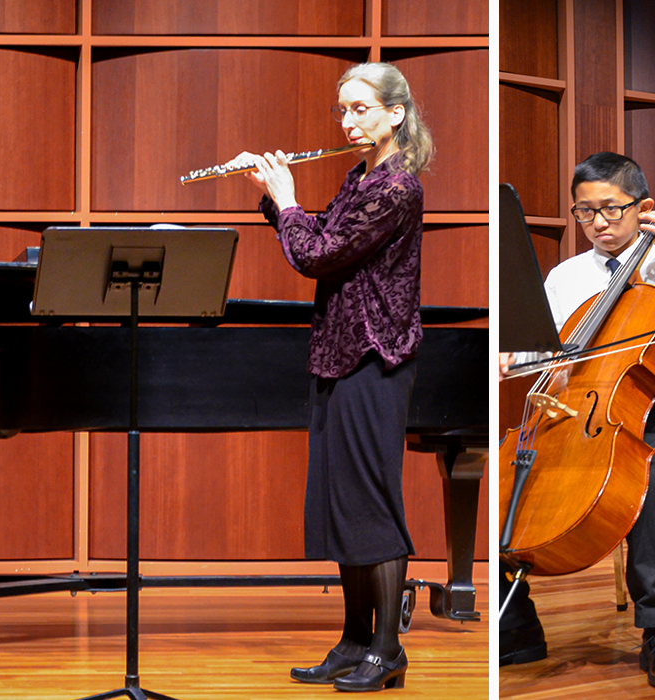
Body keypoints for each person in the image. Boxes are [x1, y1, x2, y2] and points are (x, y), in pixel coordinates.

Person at [499, 152, 655, 690]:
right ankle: (516, 625)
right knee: (503, 483)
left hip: (647, 413)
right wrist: (522, 359)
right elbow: (543, 353)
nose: (600, 224)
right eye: (585, 213)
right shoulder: (566, 276)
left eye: (611, 210)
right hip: (570, 411)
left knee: (651, 489)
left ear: (645, 208)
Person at [237, 61, 432, 693]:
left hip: (374, 358)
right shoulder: (361, 177)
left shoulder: (396, 187)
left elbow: (318, 256)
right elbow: (322, 240)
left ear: (394, 113)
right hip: (338, 352)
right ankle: (353, 642)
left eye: (360, 109)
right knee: (345, 506)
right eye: (341, 111)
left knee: (373, 504)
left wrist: (288, 198)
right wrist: (276, 201)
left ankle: (388, 649)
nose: (347, 122)